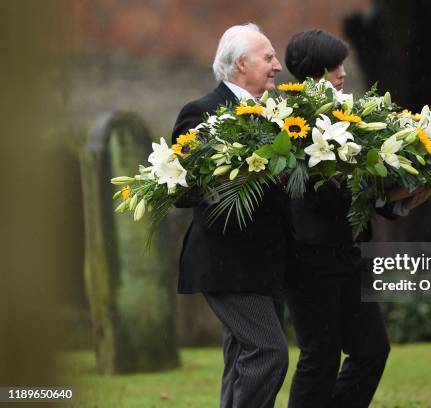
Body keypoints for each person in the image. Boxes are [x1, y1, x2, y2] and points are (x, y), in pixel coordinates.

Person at [284, 29, 431, 408]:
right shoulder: (291, 121)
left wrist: (402, 201)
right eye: (334, 66)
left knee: (371, 349)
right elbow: (317, 194)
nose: (342, 73)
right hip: (310, 257)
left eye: (342, 64)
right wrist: (386, 194)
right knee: (321, 356)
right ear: (313, 71)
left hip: (348, 253)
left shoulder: (349, 116)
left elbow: (361, 186)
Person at [171, 23, 287, 408]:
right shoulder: (200, 113)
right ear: (241, 64)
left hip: (266, 261)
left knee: (242, 358)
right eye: (268, 57)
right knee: (269, 353)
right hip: (226, 263)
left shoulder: (280, 113)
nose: (277, 66)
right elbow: (182, 191)